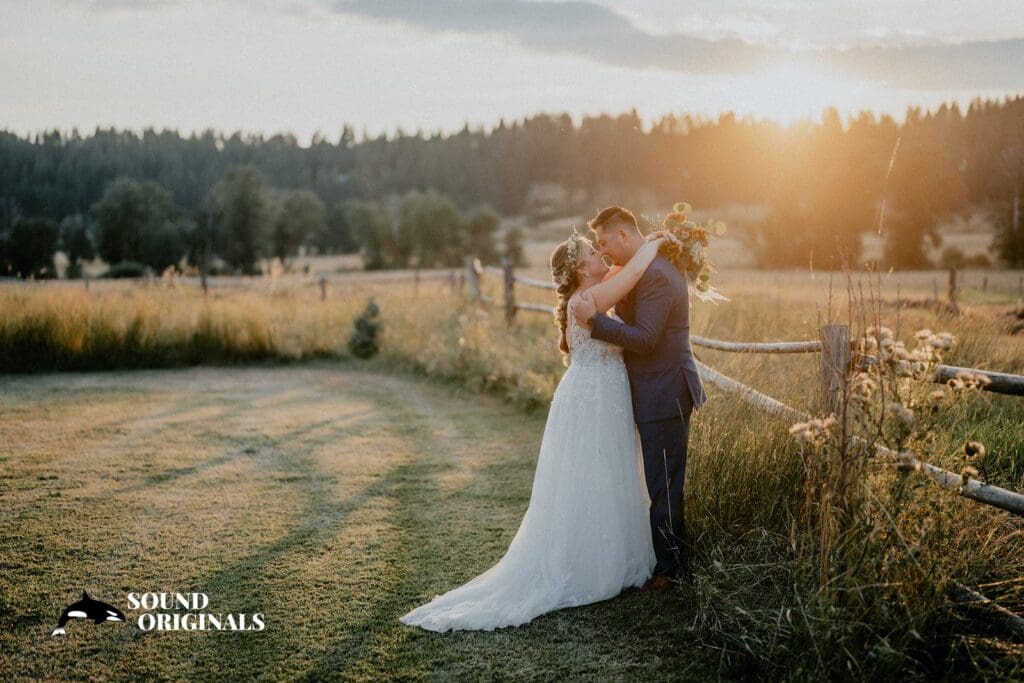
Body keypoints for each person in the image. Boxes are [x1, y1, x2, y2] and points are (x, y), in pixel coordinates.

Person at [399, 230, 666, 632]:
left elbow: (622, 273)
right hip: (593, 398)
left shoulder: (591, 292)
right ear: (582, 270)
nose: (600, 253)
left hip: (601, 395)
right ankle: (589, 565)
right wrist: (656, 244)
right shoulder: (587, 300)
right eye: (593, 252)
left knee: (608, 475)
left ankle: (608, 554)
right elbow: (630, 276)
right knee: (592, 477)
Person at [572, 206, 708, 588]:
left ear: (623, 235)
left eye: (604, 243)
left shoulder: (657, 277)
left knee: (664, 484)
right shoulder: (640, 270)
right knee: (659, 481)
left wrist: (595, 323)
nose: (602, 251)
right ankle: (666, 561)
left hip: (666, 391)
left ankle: (670, 571)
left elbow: (646, 339)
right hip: (654, 390)